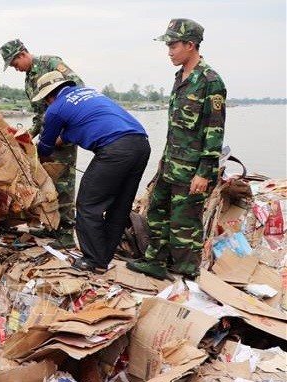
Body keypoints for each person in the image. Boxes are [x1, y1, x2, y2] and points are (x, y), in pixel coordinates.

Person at [127, 19, 226, 280]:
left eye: (173, 45)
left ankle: (187, 274)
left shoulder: (210, 81)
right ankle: (155, 262)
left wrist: (203, 173)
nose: (169, 51)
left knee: (185, 225)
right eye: (168, 45)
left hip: (192, 169)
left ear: (190, 45)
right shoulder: (179, 77)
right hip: (170, 163)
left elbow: (214, 132)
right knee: (157, 213)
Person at [33, 71, 151, 273]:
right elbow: (68, 136)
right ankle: (102, 259)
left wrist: (36, 165)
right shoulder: (87, 94)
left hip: (115, 150)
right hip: (141, 144)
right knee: (119, 207)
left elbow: (45, 148)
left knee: (88, 205)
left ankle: (92, 260)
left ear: (48, 97)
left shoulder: (55, 110)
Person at [0, 39, 84, 248]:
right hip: (48, 135)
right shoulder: (29, 82)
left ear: (23, 54)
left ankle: (65, 233)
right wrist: (26, 135)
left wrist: (65, 130)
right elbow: (39, 116)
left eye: (14, 64)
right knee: (47, 182)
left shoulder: (51, 63)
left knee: (64, 183)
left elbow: (78, 90)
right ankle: (51, 225)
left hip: (63, 134)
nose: (15, 69)